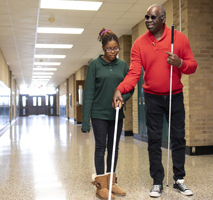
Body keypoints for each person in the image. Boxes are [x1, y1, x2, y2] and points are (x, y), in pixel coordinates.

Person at [112, 4, 197, 198]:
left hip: (174, 95)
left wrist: (180, 63)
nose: (148, 20)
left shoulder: (179, 39)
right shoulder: (139, 44)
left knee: (178, 138)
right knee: (154, 140)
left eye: (153, 17)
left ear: (163, 19)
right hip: (152, 98)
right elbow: (134, 74)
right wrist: (120, 89)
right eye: (147, 17)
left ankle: (179, 180)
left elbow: (192, 66)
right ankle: (157, 181)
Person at [82, 28, 134, 200]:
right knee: (100, 147)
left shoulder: (123, 65)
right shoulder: (94, 65)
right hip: (98, 113)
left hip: (116, 113)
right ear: (103, 48)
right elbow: (88, 92)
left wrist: (123, 98)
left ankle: (112, 181)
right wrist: (85, 121)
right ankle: (101, 185)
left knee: (114, 148)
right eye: (110, 49)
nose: (113, 52)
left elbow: (129, 88)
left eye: (116, 48)